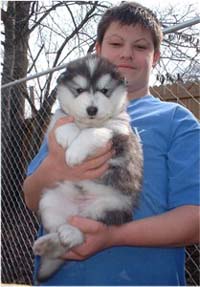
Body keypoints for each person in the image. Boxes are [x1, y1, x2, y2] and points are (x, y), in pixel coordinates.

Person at [23, 2, 200, 285]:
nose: (127, 53)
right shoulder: (71, 114)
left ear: (155, 57)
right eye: (116, 43)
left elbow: (195, 219)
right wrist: (55, 169)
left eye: (141, 47)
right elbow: (32, 197)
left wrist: (112, 237)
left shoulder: (177, 120)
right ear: (98, 50)